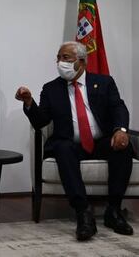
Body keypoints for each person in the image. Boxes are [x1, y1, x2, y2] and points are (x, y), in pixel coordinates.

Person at [15, 41, 134, 241]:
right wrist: (29, 103)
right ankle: (83, 212)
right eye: (58, 58)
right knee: (62, 148)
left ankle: (113, 211)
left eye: (66, 58)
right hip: (70, 143)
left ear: (81, 62)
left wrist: (121, 130)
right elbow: (41, 121)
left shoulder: (104, 83)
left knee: (123, 147)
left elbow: (118, 108)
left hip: (100, 141)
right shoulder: (51, 89)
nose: (60, 62)